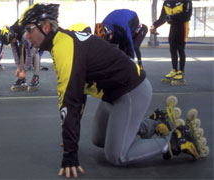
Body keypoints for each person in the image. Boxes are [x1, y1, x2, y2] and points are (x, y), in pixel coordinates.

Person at [19, 3, 205, 179]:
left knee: (117, 156)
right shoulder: (61, 42)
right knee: (99, 140)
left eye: (29, 29)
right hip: (113, 96)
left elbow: (69, 102)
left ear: (44, 27)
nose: (27, 36)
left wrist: (70, 153)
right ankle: (153, 124)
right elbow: (78, 93)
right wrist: (70, 139)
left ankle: (176, 140)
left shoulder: (63, 49)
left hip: (131, 92)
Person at [150, 0, 192, 82]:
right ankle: (174, 70)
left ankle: (181, 72)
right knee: (172, 49)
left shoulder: (186, 1)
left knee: (180, 49)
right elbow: (163, 18)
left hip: (183, 26)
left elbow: (187, 16)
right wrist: (154, 25)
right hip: (173, 27)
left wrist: (171, 17)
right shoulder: (167, 2)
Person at [0, 20, 40, 92]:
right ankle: (22, 79)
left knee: (35, 51)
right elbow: (15, 51)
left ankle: (35, 77)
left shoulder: (24, 36)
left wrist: (24, 71)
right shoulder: (11, 34)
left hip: (37, 32)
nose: (13, 42)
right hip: (24, 33)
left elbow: (29, 54)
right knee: (21, 50)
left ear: (13, 35)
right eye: (10, 42)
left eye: (12, 41)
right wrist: (18, 68)